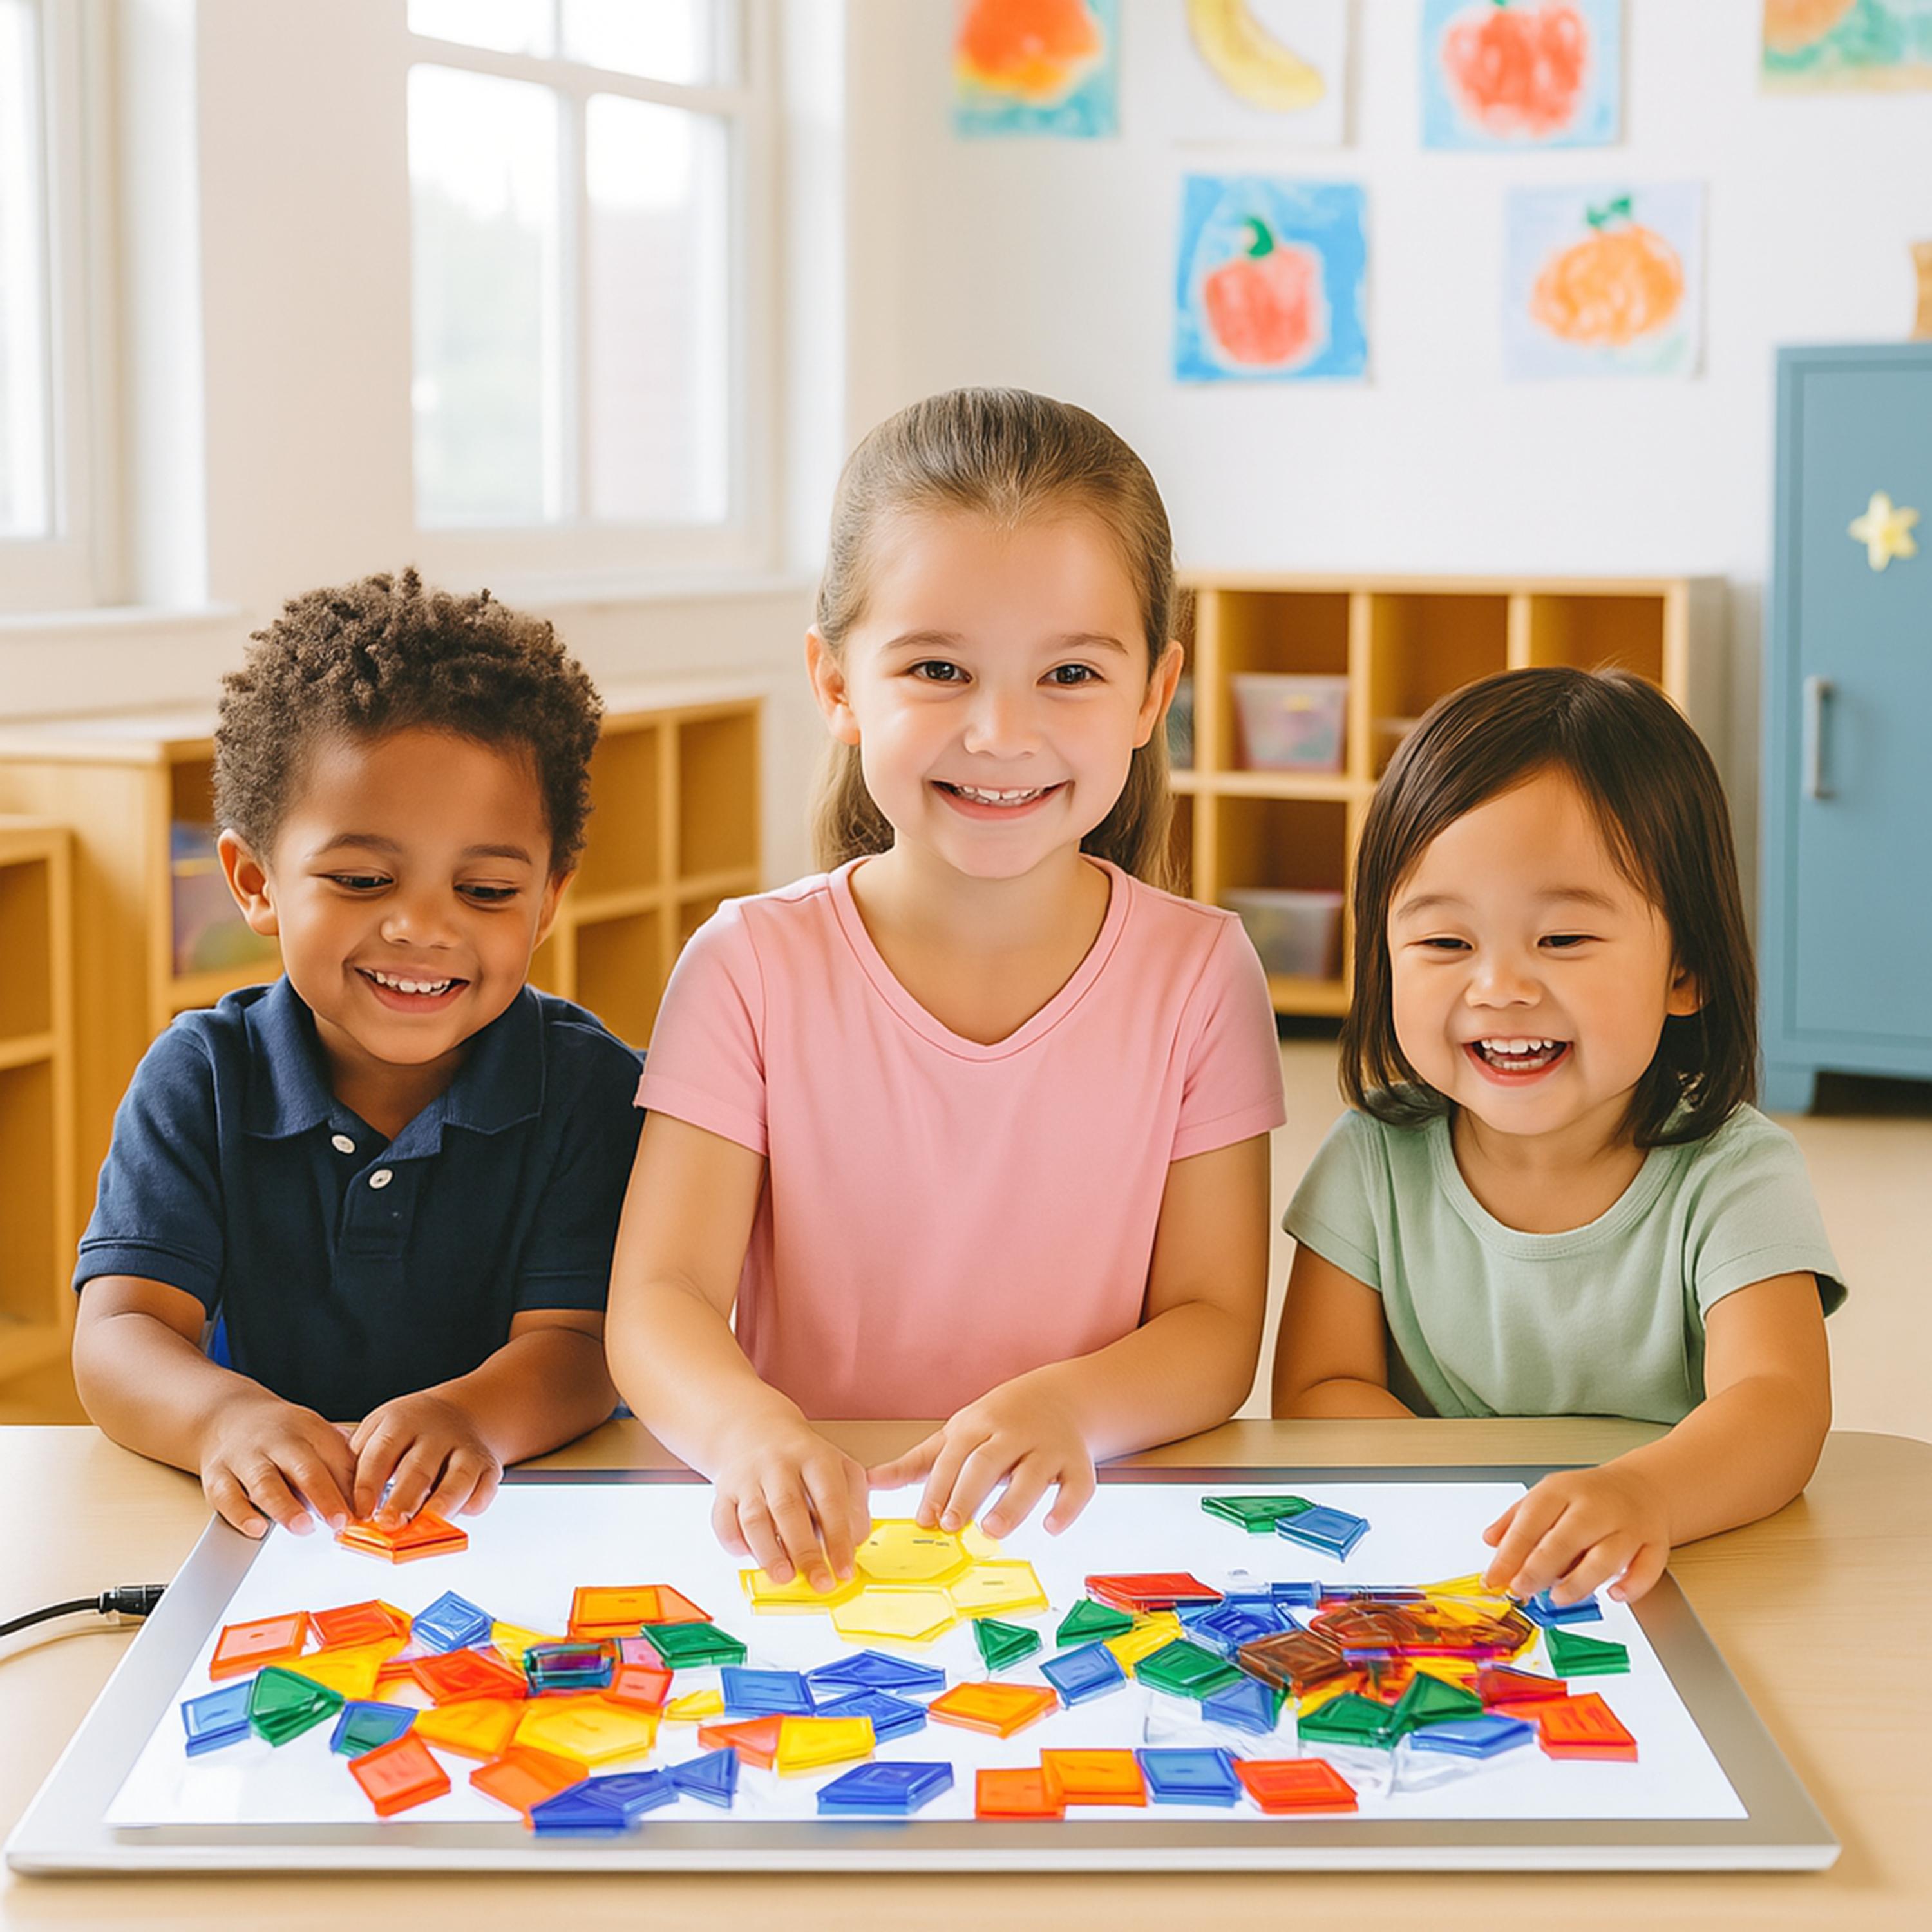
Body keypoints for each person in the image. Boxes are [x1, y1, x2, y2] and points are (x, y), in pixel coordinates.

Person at [608, 388, 1286, 1593]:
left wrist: (1072, 1409)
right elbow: (660, 1299)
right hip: (814, 1552)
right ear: (834, 682)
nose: (999, 732)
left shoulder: (1201, 975)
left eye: (1070, 671)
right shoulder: (748, 966)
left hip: (1087, 1543)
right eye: (936, 666)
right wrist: (748, 1433)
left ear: (1153, 690)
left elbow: (1216, 1326)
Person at [71, 571, 641, 1540]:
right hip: (280, 1533)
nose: (421, 926)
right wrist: (225, 1419)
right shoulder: (199, 1079)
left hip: (524, 1521)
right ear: (256, 882)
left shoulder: (592, 1090)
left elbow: (586, 1345)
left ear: (549, 897)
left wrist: (471, 1420)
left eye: (489, 891)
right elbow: (122, 1332)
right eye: (364, 878)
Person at [1273, 666, 1842, 1605]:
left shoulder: (1737, 1172)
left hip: (1673, 1573)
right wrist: (1490, 1507)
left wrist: (1641, 1493)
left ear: (1685, 970)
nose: (1499, 987)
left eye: (1564, 941)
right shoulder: (1371, 1155)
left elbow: (1781, 1409)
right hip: (1454, 1577)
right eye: (1445, 944)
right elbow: (1314, 1396)